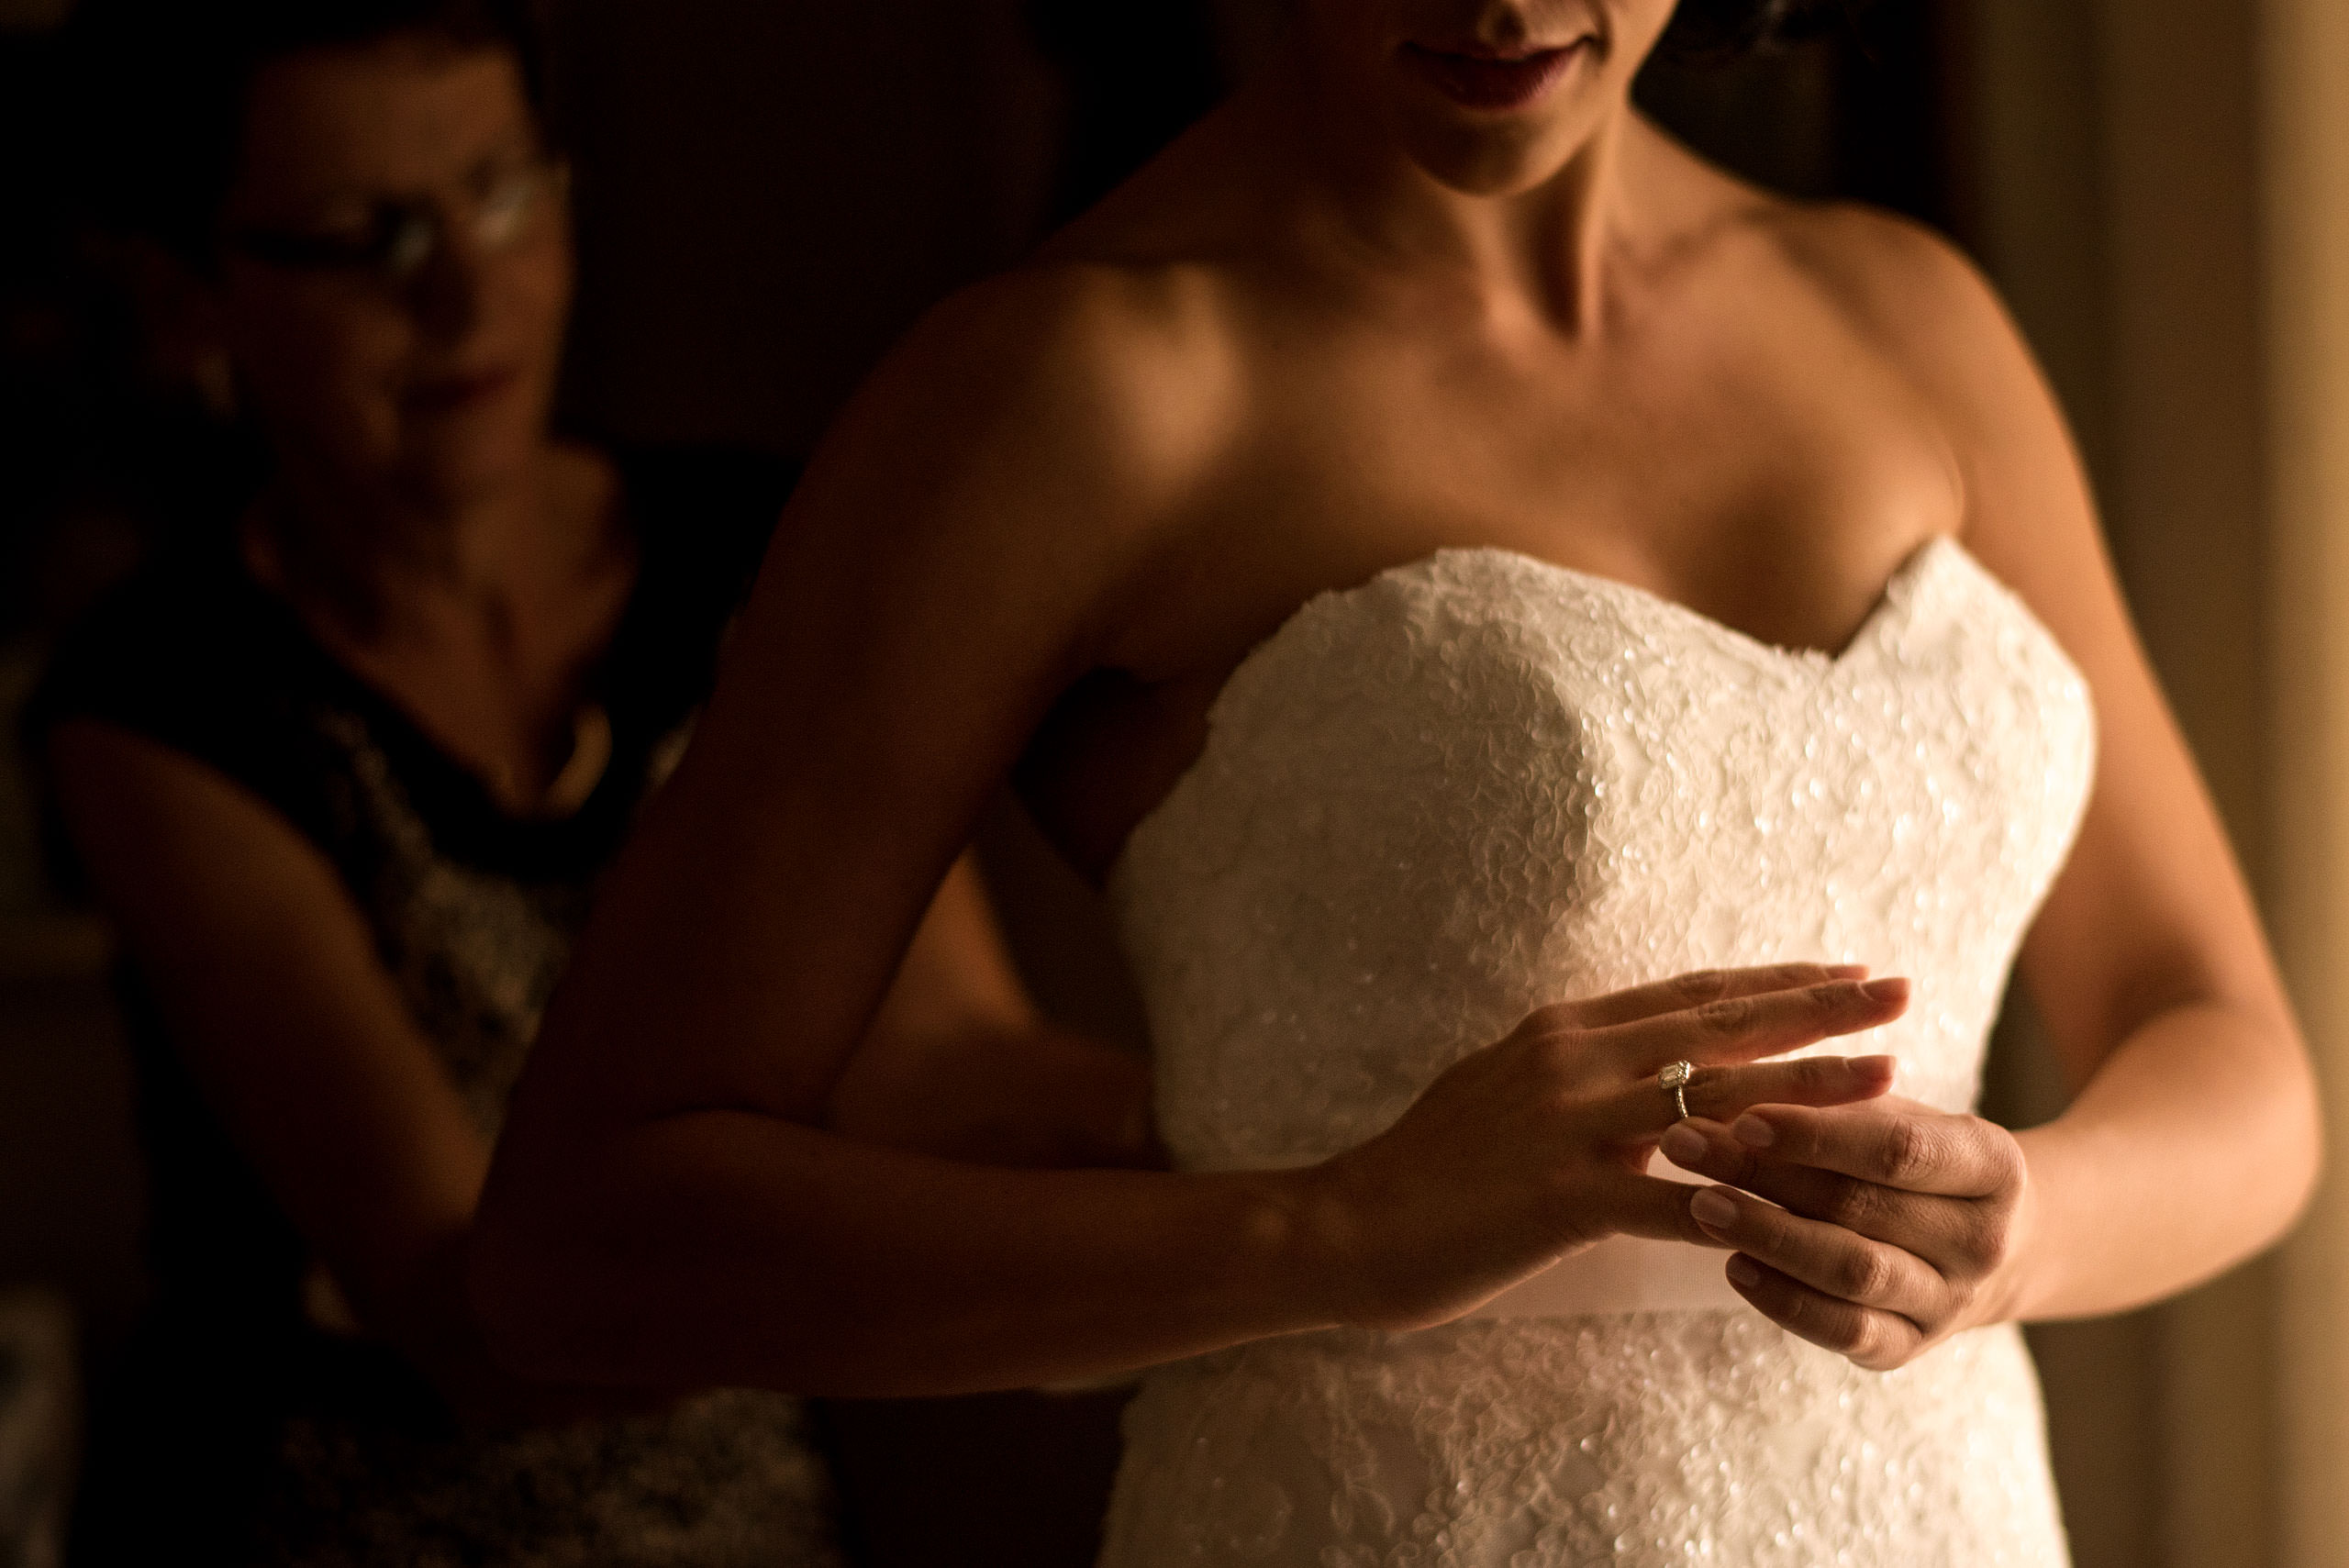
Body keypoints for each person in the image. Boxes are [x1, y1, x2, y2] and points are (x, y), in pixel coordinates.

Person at [470, 0, 2321, 1562]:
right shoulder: (1070, 395)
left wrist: (2019, 1230)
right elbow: (580, 1247)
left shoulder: (1907, 320)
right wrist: (1330, 1229)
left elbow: (2229, 1060)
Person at [28, 1, 1152, 1562]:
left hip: (738, 1514)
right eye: (365, 237)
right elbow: (470, 1306)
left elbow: (937, 1064)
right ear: (189, 300)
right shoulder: (159, 699)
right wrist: (1224, 1251)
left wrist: (1250, 1119)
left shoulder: (747, 563)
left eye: (503, 191)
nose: (465, 290)